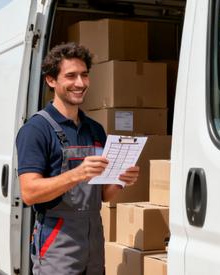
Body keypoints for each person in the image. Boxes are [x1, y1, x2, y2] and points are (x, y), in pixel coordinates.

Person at [15, 43, 141, 274]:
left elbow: (103, 195)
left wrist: (121, 180)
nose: (80, 83)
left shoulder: (95, 130)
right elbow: (29, 192)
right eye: (71, 76)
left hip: (93, 239)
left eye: (84, 75)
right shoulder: (35, 129)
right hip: (57, 241)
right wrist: (78, 174)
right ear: (51, 80)